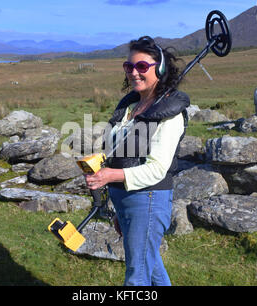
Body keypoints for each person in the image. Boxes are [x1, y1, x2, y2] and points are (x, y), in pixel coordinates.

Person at [84, 36, 190, 286]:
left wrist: (110, 176)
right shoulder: (131, 107)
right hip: (127, 200)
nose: (134, 72)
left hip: (148, 200)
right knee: (150, 267)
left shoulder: (170, 115)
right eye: (128, 66)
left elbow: (157, 169)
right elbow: (120, 155)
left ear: (160, 69)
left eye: (142, 66)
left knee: (137, 278)